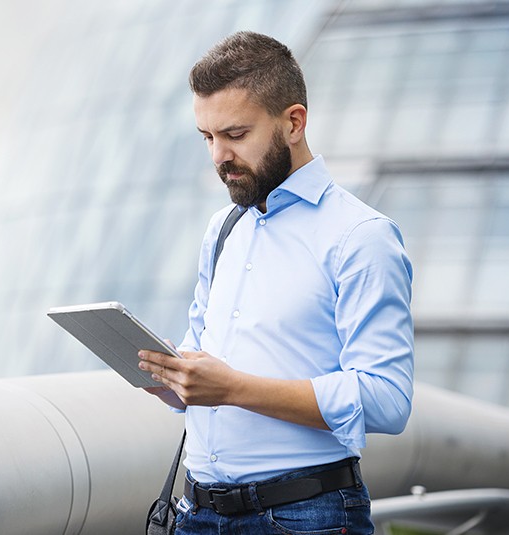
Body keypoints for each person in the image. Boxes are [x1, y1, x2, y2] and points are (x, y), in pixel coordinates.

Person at [138, 31, 414, 534]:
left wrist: (233, 388)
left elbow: (387, 398)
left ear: (293, 122)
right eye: (207, 137)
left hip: (307, 517)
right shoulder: (223, 230)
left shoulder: (361, 237)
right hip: (196, 513)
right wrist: (176, 380)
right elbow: (201, 350)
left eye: (235, 135)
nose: (218, 156)